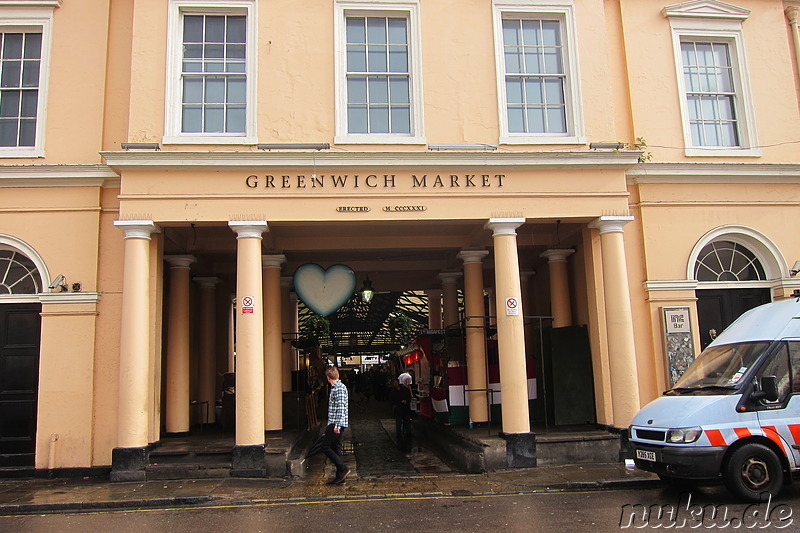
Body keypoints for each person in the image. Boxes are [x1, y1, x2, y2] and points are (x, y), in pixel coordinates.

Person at [309, 366, 350, 484]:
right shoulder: (338, 387)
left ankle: (343, 468)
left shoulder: (339, 389)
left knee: (324, 446)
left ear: (328, 377)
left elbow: (340, 409)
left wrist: (336, 426)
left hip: (336, 424)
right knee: (336, 448)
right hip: (335, 423)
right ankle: (340, 476)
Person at [388, 378, 412, 451]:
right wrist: (394, 406)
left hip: (405, 408)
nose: (395, 384)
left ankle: (408, 433)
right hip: (398, 409)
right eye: (394, 383)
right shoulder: (393, 392)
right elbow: (391, 400)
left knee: (407, 421)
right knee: (398, 422)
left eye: (396, 382)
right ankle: (399, 433)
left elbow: (409, 396)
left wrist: (406, 401)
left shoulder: (404, 389)